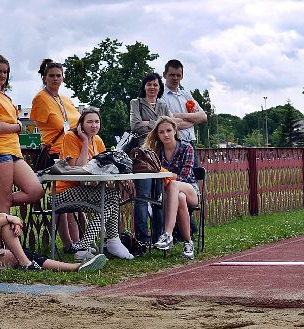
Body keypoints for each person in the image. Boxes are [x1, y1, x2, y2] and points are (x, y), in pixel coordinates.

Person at [0, 168, 107, 272]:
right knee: (2, 221)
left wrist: (11, 220)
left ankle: (74, 267)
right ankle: (26, 264)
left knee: (25, 253)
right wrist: (9, 218)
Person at [57, 108, 134, 261]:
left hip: (85, 191)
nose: (94, 125)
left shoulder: (98, 140)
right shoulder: (71, 137)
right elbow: (79, 168)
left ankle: (107, 242)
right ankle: (98, 244)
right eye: (89, 122)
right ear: (81, 124)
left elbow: (104, 167)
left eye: (97, 122)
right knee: (110, 196)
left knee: (111, 196)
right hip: (63, 193)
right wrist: (85, 141)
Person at [0, 55, 44, 214]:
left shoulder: (5, 96)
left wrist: (15, 125)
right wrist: (18, 126)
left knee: (35, 191)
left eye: (6, 72)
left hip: (14, 151)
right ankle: (0, 236)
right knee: (4, 203)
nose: (3, 75)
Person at [30, 59, 83, 254]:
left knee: (74, 197)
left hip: (73, 151)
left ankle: (78, 241)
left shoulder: (65, 99)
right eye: (51, 75)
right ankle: (69, 242)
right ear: (44, 77)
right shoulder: (40, 99)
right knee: (62, 196)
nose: (55, 79)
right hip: (55, 153)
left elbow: (79, 123)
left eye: (58, 75)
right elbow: (57, 125)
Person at [145, 116, 199, 259]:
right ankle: (188, 243)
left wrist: (166, 175)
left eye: (169, 130)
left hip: (190, 190)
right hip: (169, 194)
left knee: (175, 185)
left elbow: (185, 176)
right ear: (157, 134)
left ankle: (167, 234)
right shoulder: (155, 151)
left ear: (175, 130)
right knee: (179, 197)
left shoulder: (187, 147)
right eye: (161, 132)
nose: (166, 135)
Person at [129, 72, 172, 245]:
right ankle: (142, 238)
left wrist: (148, 122)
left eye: (155, 84)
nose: (152, 87)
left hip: (160, 154)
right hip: (143, 156)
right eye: (149, 84)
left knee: (159, 196)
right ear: (144, 86)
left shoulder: (163, 104)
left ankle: (159, 236)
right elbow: (135, 125)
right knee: (143, 196)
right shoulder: (136, 103)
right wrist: (158, 123)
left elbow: (169, 125)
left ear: (160, 87)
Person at [158, 59, 207, 152]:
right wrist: (193, 120)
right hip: (173, 144)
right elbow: (168, 124)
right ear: (164, 75)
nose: (175, 78)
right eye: (172, 75)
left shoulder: (186, 94)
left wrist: (179, 115)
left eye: (178, 75)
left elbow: (203, 116)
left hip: (191, 144)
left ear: (182, 76)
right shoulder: (160, 96)